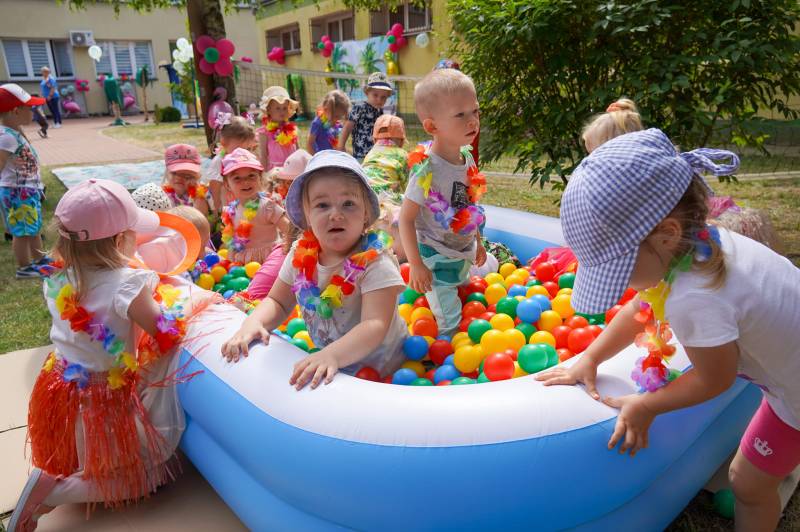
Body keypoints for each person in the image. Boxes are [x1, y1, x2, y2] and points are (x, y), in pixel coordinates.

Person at [536, 128, 800, 532]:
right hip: (788, 376)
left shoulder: (696, 296)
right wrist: (590, 358)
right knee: (746, 479)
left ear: (667, 234)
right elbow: (641, 307)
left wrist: (647, 405)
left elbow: (714, 379)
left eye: (622, 270)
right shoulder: (703, 243)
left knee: (747, 484)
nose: (624, 284)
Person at [7, 179, 207, 532]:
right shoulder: (127, 283)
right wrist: (191, 304)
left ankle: (65, 476)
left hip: (61, 388)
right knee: (145, 479)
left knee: (91, 460)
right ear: (119, 242)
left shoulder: (58, 276)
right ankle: (55, 492)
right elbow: (164, 331)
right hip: (103, 402)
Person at [221, 150, 407, 389]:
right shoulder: (300, 254)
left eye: (348, 204)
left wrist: (331, 355)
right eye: (322, 205)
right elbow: (278, 301)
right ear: (307, 216)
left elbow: (374, 324)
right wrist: (255, 322)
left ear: (366, 215)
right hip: (326, 361)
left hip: (381, 371)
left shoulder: (376, 263)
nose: (336, 214)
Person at [399, 68, 487, 336]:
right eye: (460, 115)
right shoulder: (426, 170)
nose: (472, 121)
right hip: (435, 257)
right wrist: (416, 265)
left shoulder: (466, 158)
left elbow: (469, 206)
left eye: (475, 111)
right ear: (432, 127)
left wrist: (478, 242)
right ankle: (449, 339)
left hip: (461, 251)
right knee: (451, 324)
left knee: (470, 290)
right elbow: (405, 219)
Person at [0, 83, 50, 279]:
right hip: (16, 191)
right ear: (15, 111)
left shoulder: (14, 132)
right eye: (29, 108)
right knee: (21, 231)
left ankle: (40, 259)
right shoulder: (6, 137)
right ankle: (24, 268)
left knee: (33, 227)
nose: (33, 112)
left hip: (26, 189)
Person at [220, 148, 290, 270]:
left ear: (260, 179)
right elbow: (233, 245)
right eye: (237, 178)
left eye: (251, 176)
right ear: (227, 185)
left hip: (270, 262)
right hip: (243, 266)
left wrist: (289, 253)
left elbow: (289, 229)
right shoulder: (231, 211)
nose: (245, 182)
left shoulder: (267, 206)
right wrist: (229, 266)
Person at [204, 115, 257, 217]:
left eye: (248, 149)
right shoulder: (220, 161)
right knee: (225, 188)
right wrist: (216, 209)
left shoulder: (248, 158)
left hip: (243, 193)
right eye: (239, 149)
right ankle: (228, 217)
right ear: (224, 143)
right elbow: (215, 186)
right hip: (224, 199)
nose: (243, 153)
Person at [339, 72, 392, 161]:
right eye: (375, 95)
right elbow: (347, 127)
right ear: (367, 92)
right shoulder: (359, 108)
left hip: (377, 154)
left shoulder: (380, 111)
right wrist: (341, 146)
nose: (379, 100)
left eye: (383, 97)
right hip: (361, 154)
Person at [257, 86, 299, 171]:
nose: (282, 112)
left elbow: (298, 150)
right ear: (268, 110)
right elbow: (263, 155)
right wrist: (264, 173)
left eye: (284, 108)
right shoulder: (264, 132)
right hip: (275, 171)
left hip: (292, 168)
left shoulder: (292, 129)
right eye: (278, 108)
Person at [162, 144, 209, 215]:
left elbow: (201, 217)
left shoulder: (199, 195)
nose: (179, 178)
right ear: (167, 174)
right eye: (174, 173)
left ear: (195, 177)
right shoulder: (163, 196)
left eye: (187, 176)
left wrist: (198, 197)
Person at [307, 90, 350, 155]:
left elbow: (339, 143)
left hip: (334, 156)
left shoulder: (337, 123)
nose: (338, 119)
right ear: (325, 109)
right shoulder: (317, 123)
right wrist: (316, 158)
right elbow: (310, 144)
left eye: (341, 116)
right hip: (322, 157)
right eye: (336, 116)